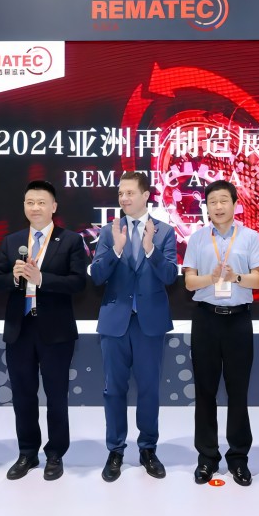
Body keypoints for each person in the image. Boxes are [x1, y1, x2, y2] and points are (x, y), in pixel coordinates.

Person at [0, 180, 87, 482]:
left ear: (53, 207)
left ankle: (55, 453)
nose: (35, 207)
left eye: (41, 202)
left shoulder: (70, 240)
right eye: (30, 202)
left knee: (56, 395)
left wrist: (41, 278)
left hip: (55, 331)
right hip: (20, 329)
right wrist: (14, 277)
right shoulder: (12, 241)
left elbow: (78, 283)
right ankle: (27, 452)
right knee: (23, 395)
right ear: (24, 206)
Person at [90, 172, 179, 482]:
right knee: (113, 390)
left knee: (149, 389)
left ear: (145, 196)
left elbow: (170, 276)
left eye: (129, 193)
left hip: (149, 323)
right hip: (115, 322)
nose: (124, 198)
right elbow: (97, 276)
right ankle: (115, 450)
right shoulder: (109, 232)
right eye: (120, 193)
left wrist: (151, 249)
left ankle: (148, 449)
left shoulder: (165, 232)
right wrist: (116, 250)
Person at [182, 179, 259, 486]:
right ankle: (207, 458)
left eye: (223, 201)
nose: (218, 207)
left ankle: (239, 458)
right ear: (206, 206)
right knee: (205, 391)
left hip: (238, 321)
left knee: (238, 391)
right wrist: (213, 277)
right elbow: (189, 283)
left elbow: (257, 281)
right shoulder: (197, 239)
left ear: (235, 204)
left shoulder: (250, 237)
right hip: (206, 320)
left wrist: (235, 277)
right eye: (212, 202)